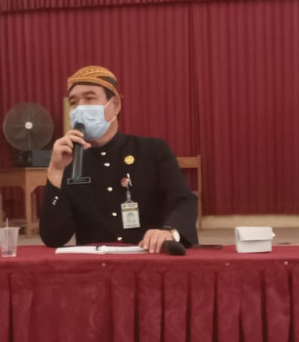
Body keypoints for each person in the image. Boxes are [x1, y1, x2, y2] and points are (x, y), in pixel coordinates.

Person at [40, 65, 199, 252]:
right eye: (74, 103)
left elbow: (184, 201)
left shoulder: (152, 150)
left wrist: (168, 231)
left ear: (114, 105)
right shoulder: (71, 161)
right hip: (96, 263)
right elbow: (53, 236)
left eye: (89, 98)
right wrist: (55, 171)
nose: (80, 107)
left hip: (149, 256)